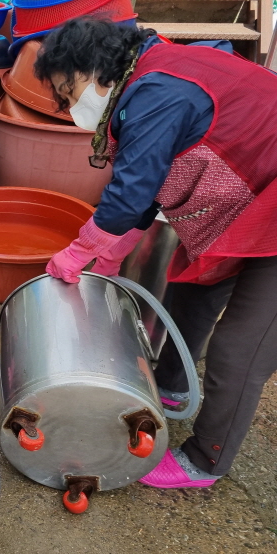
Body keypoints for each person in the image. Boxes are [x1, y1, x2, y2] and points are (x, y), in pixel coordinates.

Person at [33, 18, 277, 489]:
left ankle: (205, 461)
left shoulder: (159, 90)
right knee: (193, 292)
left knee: (240, 349)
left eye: (68, 91)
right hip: (247, 202)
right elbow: (147, 187)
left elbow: (130, 195)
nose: (70, 106)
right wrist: (113, 249)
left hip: (270, 206)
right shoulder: (148, 78)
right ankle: (170, 386)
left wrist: (82, 249)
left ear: (92, 68)